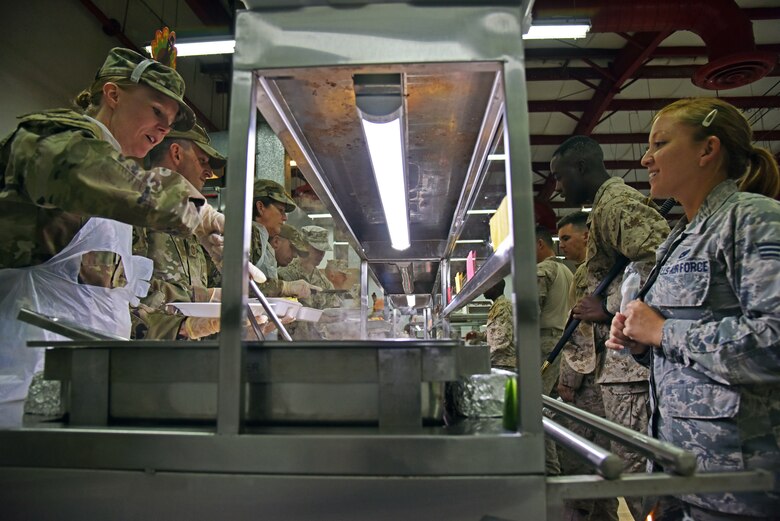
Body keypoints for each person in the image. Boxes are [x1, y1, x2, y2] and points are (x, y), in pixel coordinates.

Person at [0, 47, 226, 426]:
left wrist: (187, 325)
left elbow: (106, 303)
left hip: (83, 391)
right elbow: (80, 169)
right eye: (156, 111)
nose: (162, 128)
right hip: (21, 391)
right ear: (113, 94)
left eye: (170, 122)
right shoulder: (49, 140)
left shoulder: (114, 199)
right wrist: (195, 211)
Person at [606, 98, 780, 520]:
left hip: (735, 483)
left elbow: (773, 341)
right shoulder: (679, 238)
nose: (646, 158)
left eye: (660, 144)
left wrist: (663, 332)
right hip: (679, 470)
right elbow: (682, 345)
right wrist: (640, 341)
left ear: (708, 150)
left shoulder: (752, 220)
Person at [551, 135, 670, 520]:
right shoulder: (604, 207)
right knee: (620, 469)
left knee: (638, 476)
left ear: (581, 167)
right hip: (617, 364)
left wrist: (607, 307)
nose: (557, 188)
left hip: (630, 368)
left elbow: (663, 262)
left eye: (560, 177)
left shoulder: (615, 205)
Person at [131, 123, 228, 340]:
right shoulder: (136, 208)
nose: (209, 172)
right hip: (144, 349)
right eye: (202, 161)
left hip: (185, 350)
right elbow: (127, 288)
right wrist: (198, 303)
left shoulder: (191, 223)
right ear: (176, 153)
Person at [556, 211, 618, 521]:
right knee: (602, 464)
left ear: (586, 236)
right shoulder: (586, 271)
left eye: (566, 238)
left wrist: (568, 379)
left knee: (583, 460)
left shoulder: (588, 273)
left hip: (593, 380)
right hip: (605, 376)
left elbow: (580, 333)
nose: (561, 245)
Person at [250, 179, 319, 299]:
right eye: (281, 210)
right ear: (260, 207)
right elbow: (239, 284)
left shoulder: (261, 238)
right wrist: (285, 287)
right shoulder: (248, 235)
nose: (285, 218)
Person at [535, 225, 573, 396]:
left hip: (545, 346)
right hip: (564, 344)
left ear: (540, 244)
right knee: (557, 400)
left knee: (537, 398)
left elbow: (531, 314)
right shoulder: (568, 271)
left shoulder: (542, 270)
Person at [278, 225, 341, 310]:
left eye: (323, 250)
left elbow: (334, 309)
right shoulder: (284, 274)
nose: (321, 254)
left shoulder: (324, 283)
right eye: (317, 249)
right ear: (304, 246)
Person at [465, 279, 514, 370]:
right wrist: (477, 335)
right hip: (497, 361)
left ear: (494, 288)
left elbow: (502, 339)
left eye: (486, 286)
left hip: (504, 363)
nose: (484, 290)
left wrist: (481, 356)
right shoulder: (497, 306)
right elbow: (494, 332)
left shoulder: (503, 307)